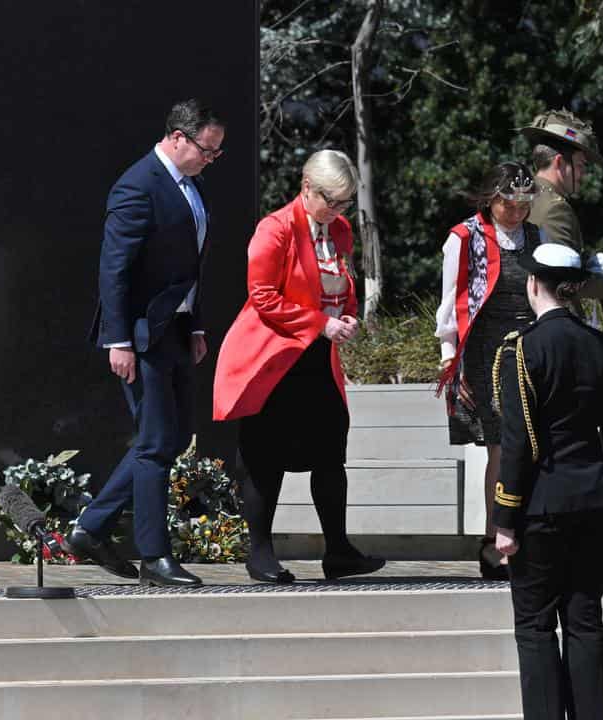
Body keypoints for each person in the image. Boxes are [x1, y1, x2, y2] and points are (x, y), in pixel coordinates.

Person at [64, 99, 223, 587]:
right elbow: (115, 268)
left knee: (171, 439)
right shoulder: (138, 185)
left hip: (173, 330)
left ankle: (90, 529)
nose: (210, 160)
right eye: (206, 150)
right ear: (178, 136)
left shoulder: (189, 186)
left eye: (217, 153)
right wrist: (118, 341)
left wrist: (194, 326)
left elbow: (189, 267)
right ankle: (154, 557)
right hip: (138, 335)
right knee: (154, 444)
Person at [213, 149, 385, 583]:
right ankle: (260, 553)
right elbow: (263, 298)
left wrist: (346, 314)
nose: (338, 210)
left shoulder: (340, 230)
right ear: (307, 188)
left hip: (317, 357)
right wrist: (321, 323)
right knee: (263, 455)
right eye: (332, 200)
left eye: (345, 202)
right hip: (273, 356)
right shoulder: (274, 230)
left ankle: (339, 551)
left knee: (330, 453)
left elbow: (342, 285)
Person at [493, 242, 603, 720]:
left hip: (541, 507)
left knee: (534, 628)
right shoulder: (601, 347)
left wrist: (504, 518)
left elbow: (519, 444)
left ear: (534, 284)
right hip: (595, 501)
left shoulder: (523, 348)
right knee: (585, 621)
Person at [434, 161, 541, 580]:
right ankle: (495, 539)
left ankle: (525, 534)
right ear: (490, 198)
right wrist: (448, 354)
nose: (517, 212)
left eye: (523, 204)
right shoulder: (464, 237)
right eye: (509, 204)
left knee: (532, 444)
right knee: (502, 446)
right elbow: (452, 299)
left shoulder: (537, 237)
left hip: (530, 350)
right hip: (486, 353)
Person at [521, 109, 603, 339]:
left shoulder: (524, 194)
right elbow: (562, 283)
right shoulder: (556, 208)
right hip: (549, 331)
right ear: (559, 163)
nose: (583, 174)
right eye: (580, 165)